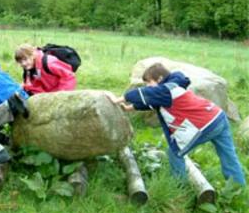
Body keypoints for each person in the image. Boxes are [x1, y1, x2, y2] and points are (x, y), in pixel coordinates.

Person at [105, 63, 245, 186]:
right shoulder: (173, 88)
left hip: (204, 124)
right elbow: (153, 103)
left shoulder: (167, 89)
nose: (148, 86)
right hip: (218, 117)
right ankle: (238, 188)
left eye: (149, 82)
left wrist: (117, 99)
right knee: (228, 155)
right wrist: (129, 108)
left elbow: (146, 93)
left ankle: (179, 186)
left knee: (175, 152)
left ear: (160, 79)